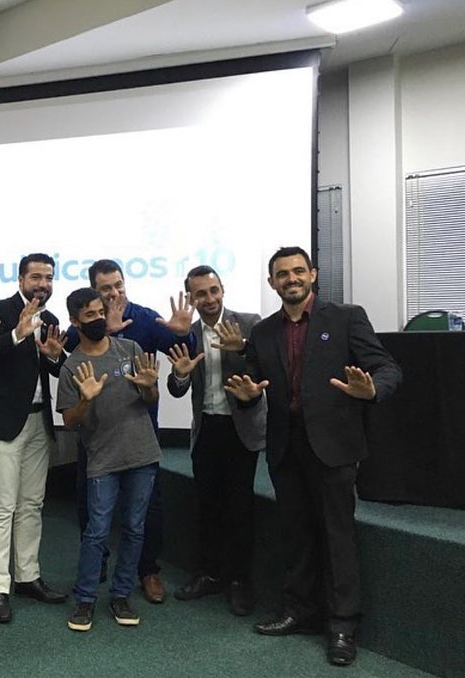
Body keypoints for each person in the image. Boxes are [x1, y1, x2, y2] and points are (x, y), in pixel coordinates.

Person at [224, 246, 401, 667]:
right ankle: (299, 610)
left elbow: (388, 368)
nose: (292, 279)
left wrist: (372, 390)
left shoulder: (346, 318)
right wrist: (247, 397)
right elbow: (253, 386)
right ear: (272, 283)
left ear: (313, 275)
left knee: (337, 537)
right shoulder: (263, 332)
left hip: (334, 446)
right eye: (283, 274)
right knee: (296, 534)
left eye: (298, 271)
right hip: (285, 447)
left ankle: (342, 625)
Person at [65, 259, 194, 603]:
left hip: (140, 434)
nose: (113, 293)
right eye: (105, 288)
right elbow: (68, 362)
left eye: (118, 285)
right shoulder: (83, 322)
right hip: (95, 438)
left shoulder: (146, 318)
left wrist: (184, 334)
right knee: (90, 508)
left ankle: (147, 570)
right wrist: (105, 331)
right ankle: (97, 564)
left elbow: (185, 355)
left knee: (147, 511)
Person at [57, 288, 162, 632]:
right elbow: (69, 421)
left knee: (134, 528)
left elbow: (149, 397)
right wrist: (85, 400)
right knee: (97, 531)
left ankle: (121, 595)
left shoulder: (129, 349)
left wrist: (150, 387)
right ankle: (85, 598)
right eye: (90, 315)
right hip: (102, 460)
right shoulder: (72, 366)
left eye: (101, 312)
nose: (99, 319)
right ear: (75, 322)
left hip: (142, 454)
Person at [165, 265, 266, 616]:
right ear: (190, 298)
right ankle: (208, 574)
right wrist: (179, 377)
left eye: (213, 290)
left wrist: (244, 349)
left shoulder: (250, 324)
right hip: (206, 428)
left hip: (241, 429)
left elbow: (266, 368)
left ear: (222, 289)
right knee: (207, 506)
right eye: (200, 294)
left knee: (240, 508)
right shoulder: (187, 334)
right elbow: (176, 387)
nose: (209, 299)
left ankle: (239, 581)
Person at [0, 253, 68, 624]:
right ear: (20, 279)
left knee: (32, 504)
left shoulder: (52, 319)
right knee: (2, 506)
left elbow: (54, 367)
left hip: (38, 422)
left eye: (48, 278)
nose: (42, 284)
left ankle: (28, 577)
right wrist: (18, 333)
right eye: (36, 277)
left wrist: (56, 358)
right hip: (4, 424)